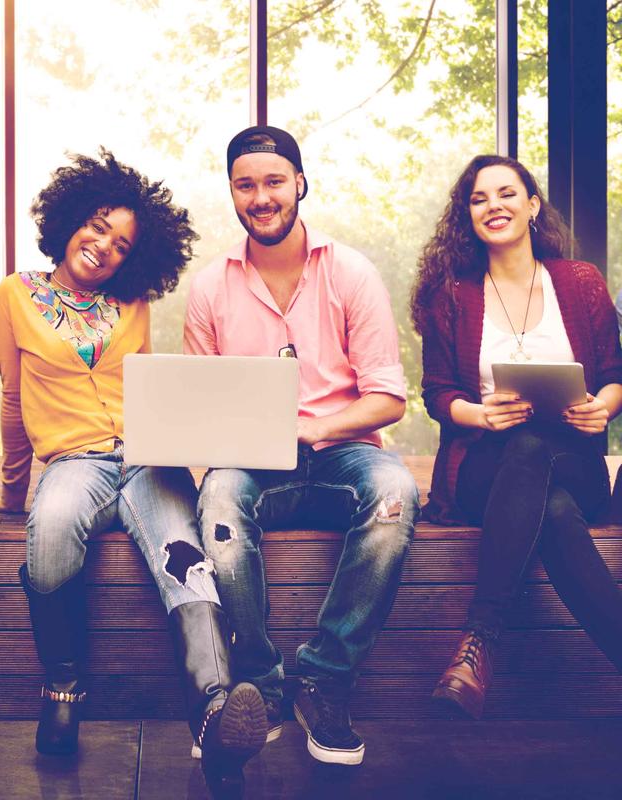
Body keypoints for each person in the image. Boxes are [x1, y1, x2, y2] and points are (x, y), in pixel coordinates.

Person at [0, 149, 267, 777]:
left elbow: (149, 388)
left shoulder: (133, 304)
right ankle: (62, 688)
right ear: (68, 221)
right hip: (73, 459)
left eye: (121, 245)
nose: (103, 247)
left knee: (186, 556)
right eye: (96, 226)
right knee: (53, 522)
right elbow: (12, 396)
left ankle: (216, 711)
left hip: (147, 457)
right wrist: (13, 493)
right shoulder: (15, 295)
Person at [185, 126, 418, 767]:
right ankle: (259, 686)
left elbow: (388, 399)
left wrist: (315, 427)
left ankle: (324, 678)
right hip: (256, 464)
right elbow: (201, 407)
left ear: (300, 184)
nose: (261, 197)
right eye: (246, 184)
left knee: (396, 491)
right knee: (221, 499)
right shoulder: (210, 288)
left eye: (273, 182)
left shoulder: (351, 273)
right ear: (232, 192)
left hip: (343, 452)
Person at [413, 154, 622, 719]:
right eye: (479, 199)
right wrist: (479, 415)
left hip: (574, 462)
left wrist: (601, 408)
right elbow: (436, 394)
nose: (493, 206)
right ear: (468, 217)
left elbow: (613, 376)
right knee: (531, 464)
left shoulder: (579, 283)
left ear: (532, 206)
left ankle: (478, 643)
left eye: (507, 194)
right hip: (486, 467)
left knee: (550, 487)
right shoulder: (452, 295)